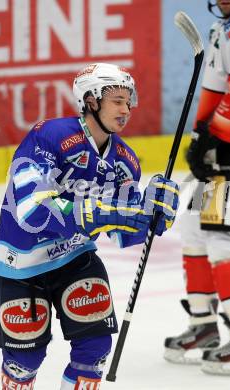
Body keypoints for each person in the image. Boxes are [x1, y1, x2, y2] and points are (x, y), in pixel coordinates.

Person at [0, 62, 179, 389]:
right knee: (24, 361)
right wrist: (100, 211)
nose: (126, 109)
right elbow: (33, 210)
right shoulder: (50, 136)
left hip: (76, 259)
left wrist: (154, 214)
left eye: (128, 101)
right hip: (20, 263)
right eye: (117, 100)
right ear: (91, 100)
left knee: (94, 349)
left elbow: (124, 231)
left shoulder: (125, 161)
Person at [164, 0, 230, 375]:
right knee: (193, 227)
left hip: (228, 149)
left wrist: (214, 137)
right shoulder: (223, 30)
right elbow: (214, 84)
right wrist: (198, 135)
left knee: (221, 236)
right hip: (220, 146)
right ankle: (203, 324)